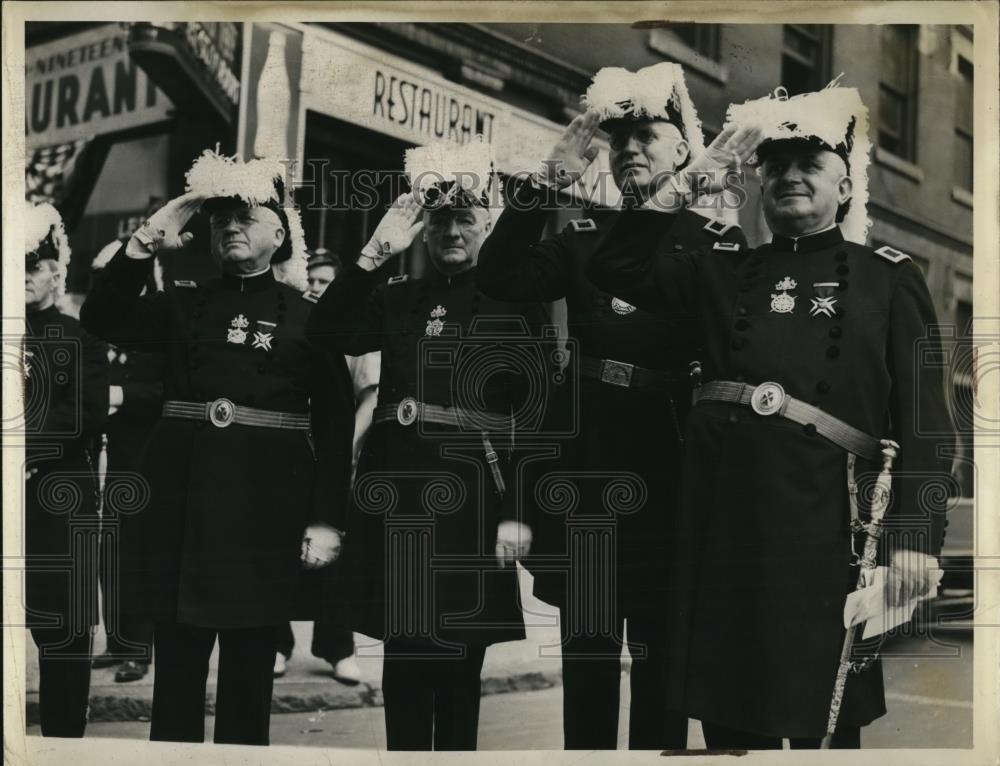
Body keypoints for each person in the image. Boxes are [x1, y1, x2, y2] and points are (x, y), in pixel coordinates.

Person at [585, 85, 953, 749]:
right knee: (726, 716)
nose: (790, 178)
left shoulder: (888, 279)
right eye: (776, 166)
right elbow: (615, 262)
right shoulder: (722, 267)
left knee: (823, 716)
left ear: (845, 187)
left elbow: (928, 424)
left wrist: (916, 543)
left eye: (810, 165)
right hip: (723, 516)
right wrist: (690, 180)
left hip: (825, 527)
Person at [476, 62, 744, 750]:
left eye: (647, 135)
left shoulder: (713, 243)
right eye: (617, 139)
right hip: (588, 467)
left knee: (660, 652)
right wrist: (544, 184)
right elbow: (502, 276)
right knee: (588, 653)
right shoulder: (585, 235)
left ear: (684, 149)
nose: (629, 149)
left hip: (669, 460)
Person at [80, 150, 355, 745]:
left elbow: (333, 430)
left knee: (248, 681)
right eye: (220, 218)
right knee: (176, 676)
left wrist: (327, 519)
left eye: (247, 216)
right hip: (182, 511)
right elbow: (101, 317)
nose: (230, 226)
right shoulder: (181, 303)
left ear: (279, 234)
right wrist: (153, 233)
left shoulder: (310, 319)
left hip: (264, 518)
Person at [306, 138, 547, 751]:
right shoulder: (395, 296)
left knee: (460, 664)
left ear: (487, 225)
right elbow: (326, 330)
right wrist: (374, 253)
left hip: (472, 498)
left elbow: (533, 413)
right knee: (403, 658)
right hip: (398, 497)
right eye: (440, 219)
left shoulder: (512, 302)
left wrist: (517, 512)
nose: (452, 231)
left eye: (465, 218)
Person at [23, 202, 110, 736]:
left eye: (33, 266)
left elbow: (81, 415)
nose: (22, 278)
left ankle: (62, 743)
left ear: (57, 271)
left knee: (64, 634)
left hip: (60, 503)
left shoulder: (81, 339)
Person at [273, 249, 369, 686]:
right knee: (279, 551)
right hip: (291, 457)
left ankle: (338, 649)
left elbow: (368, 396)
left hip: (338, 454)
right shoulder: (292, 323)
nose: (315, 288)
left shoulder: (350, 325)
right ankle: (278, 643)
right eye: (311, 280)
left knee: (334, 555)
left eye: (325, 281)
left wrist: (344, 452)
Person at [88, 246, 164, 683]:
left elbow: (167, 389)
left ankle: (138, 647)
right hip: (102, 450)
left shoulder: (154, 323)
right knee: (107, 550)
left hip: (141, 453)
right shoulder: (97, 329)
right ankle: (116, 640)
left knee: (136, 549)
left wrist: (120, 397)